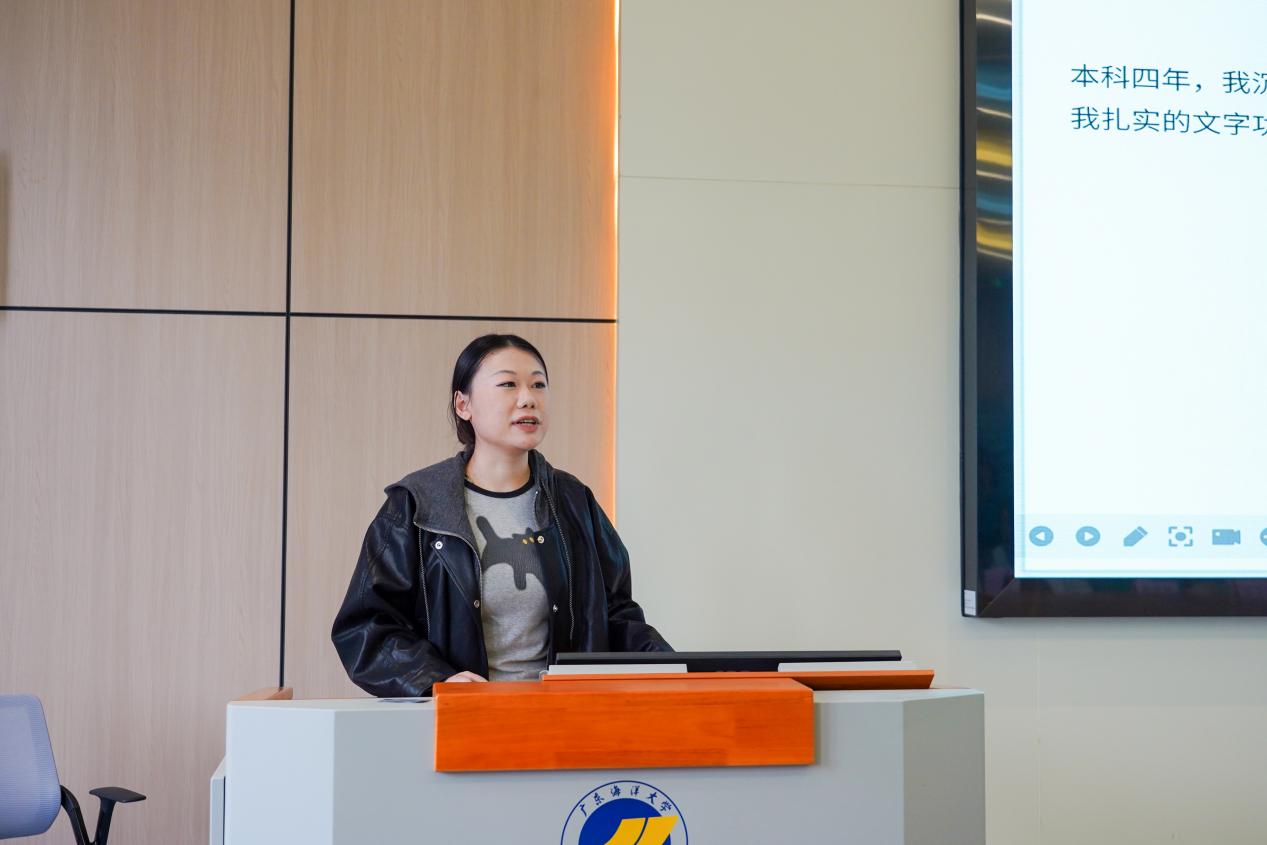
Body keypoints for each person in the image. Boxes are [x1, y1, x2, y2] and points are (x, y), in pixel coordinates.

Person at [332, 334, 671, 696]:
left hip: (563, 716)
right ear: (464, 404)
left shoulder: (574, 502)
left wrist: (678, 668)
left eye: (538, 384)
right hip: (462, 718)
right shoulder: (416, 505)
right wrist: (435, 680)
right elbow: (366, 627)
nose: (528, 398)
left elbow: (616, 614)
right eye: (508, 384)